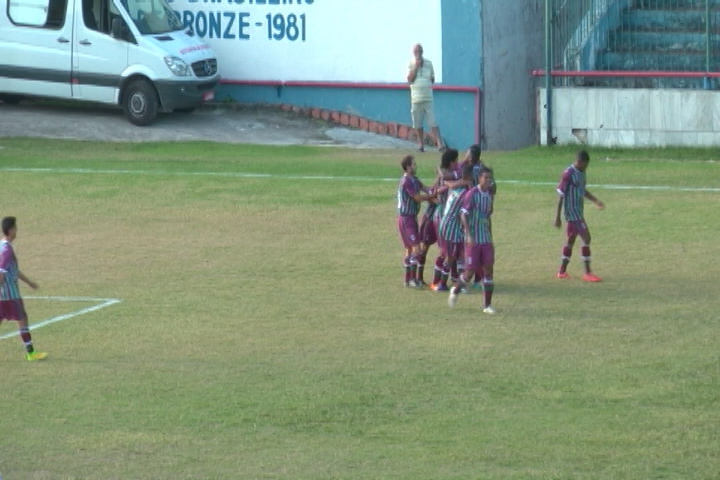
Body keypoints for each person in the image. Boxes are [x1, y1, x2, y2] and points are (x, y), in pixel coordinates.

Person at [449, 168, 496, 314]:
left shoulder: (488, 195)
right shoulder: (472, 194)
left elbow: (487, 217)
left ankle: (486, 305)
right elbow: (463, 215)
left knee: (489, 270)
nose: (488, 181)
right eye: (486, 178)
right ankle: (455, 291)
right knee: (469, 273)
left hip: (485, 239)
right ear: (480, 178)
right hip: (473, 240)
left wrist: (490, 236)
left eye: (490, 178)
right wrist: (469, 235)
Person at [0, 216, 48, 361]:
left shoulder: (1, 246)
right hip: (9, 295)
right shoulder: (7, 250)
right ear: (11, 230)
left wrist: (29, 282)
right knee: (22, 319)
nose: (17, 230)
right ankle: (31, 352)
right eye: (15, 228)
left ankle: (31, 352)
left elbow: (12, 270)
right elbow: (1, 272)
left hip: (4, 295)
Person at [554, 150, 604, 282]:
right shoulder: (568, 174)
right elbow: (561, 196)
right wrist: (557, 217)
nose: (586, 168)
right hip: (572, 213)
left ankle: (562, 272)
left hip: (578, 211)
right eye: (585, 165)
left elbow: (582, 190)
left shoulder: (582, 173)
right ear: (579, 162)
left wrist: (595, 200)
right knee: (586, 238)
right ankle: (587, 273)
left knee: (571, 240)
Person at [397, 155, 437, 288]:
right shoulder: (406, 181)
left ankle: (407, 280)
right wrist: (431, 197)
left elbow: (427, 189)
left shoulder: (414, 180)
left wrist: (439, 182)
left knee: (409, 249)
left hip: (410, 218)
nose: (416, 166)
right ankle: (413, 279)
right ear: (408, 167)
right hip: (407, 218)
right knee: (416, 249)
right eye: (414, 164)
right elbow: (417, 197)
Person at [436, 160, 472, 292]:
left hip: (448, 224)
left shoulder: (456, 187)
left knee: (461, 254)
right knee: (451, 256)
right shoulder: (465, 193)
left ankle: (457, 283)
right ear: (469, 178)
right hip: (451, 226)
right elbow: (464, 213)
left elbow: (447, 185)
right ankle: (442, 284)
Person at [407, 43, 446, 153]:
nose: (418, 53)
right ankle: (421, 145)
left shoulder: (429, 63)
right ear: (413, 53)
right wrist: (416, 66)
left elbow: (432, 78)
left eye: (420, 51)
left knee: (433, 121)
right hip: (416, 99)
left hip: (428, 97)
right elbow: (410, 79)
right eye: (416, 52)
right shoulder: (410, 64)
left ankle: (440, 144)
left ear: (422, 52)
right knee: (418, 123)